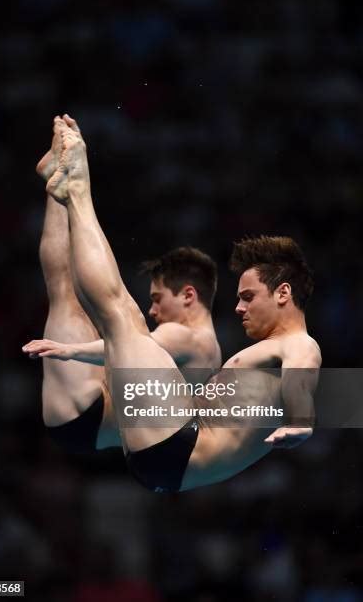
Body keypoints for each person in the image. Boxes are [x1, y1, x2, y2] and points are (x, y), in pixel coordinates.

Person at [38, 114, 321, 492]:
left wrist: (302, 422)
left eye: (248, 297)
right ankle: (68, 191)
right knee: (120, 319)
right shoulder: (261, 356)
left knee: (120, 316)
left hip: (179, 447)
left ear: (284, 294)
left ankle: (76, 190)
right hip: (166, 457)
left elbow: (301, 378)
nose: (238, 309)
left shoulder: (299, 344)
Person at [24, 117, 221, 455]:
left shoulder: (188, 337)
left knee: (73, 298)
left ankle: (66, 188)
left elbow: (122, 339)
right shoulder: (208, 350)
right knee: (63, 291)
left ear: (189, 295)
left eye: (158, 299)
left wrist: (71, 351)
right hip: (93, 420)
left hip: (87, 413)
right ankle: (57, 181)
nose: (153, 308)